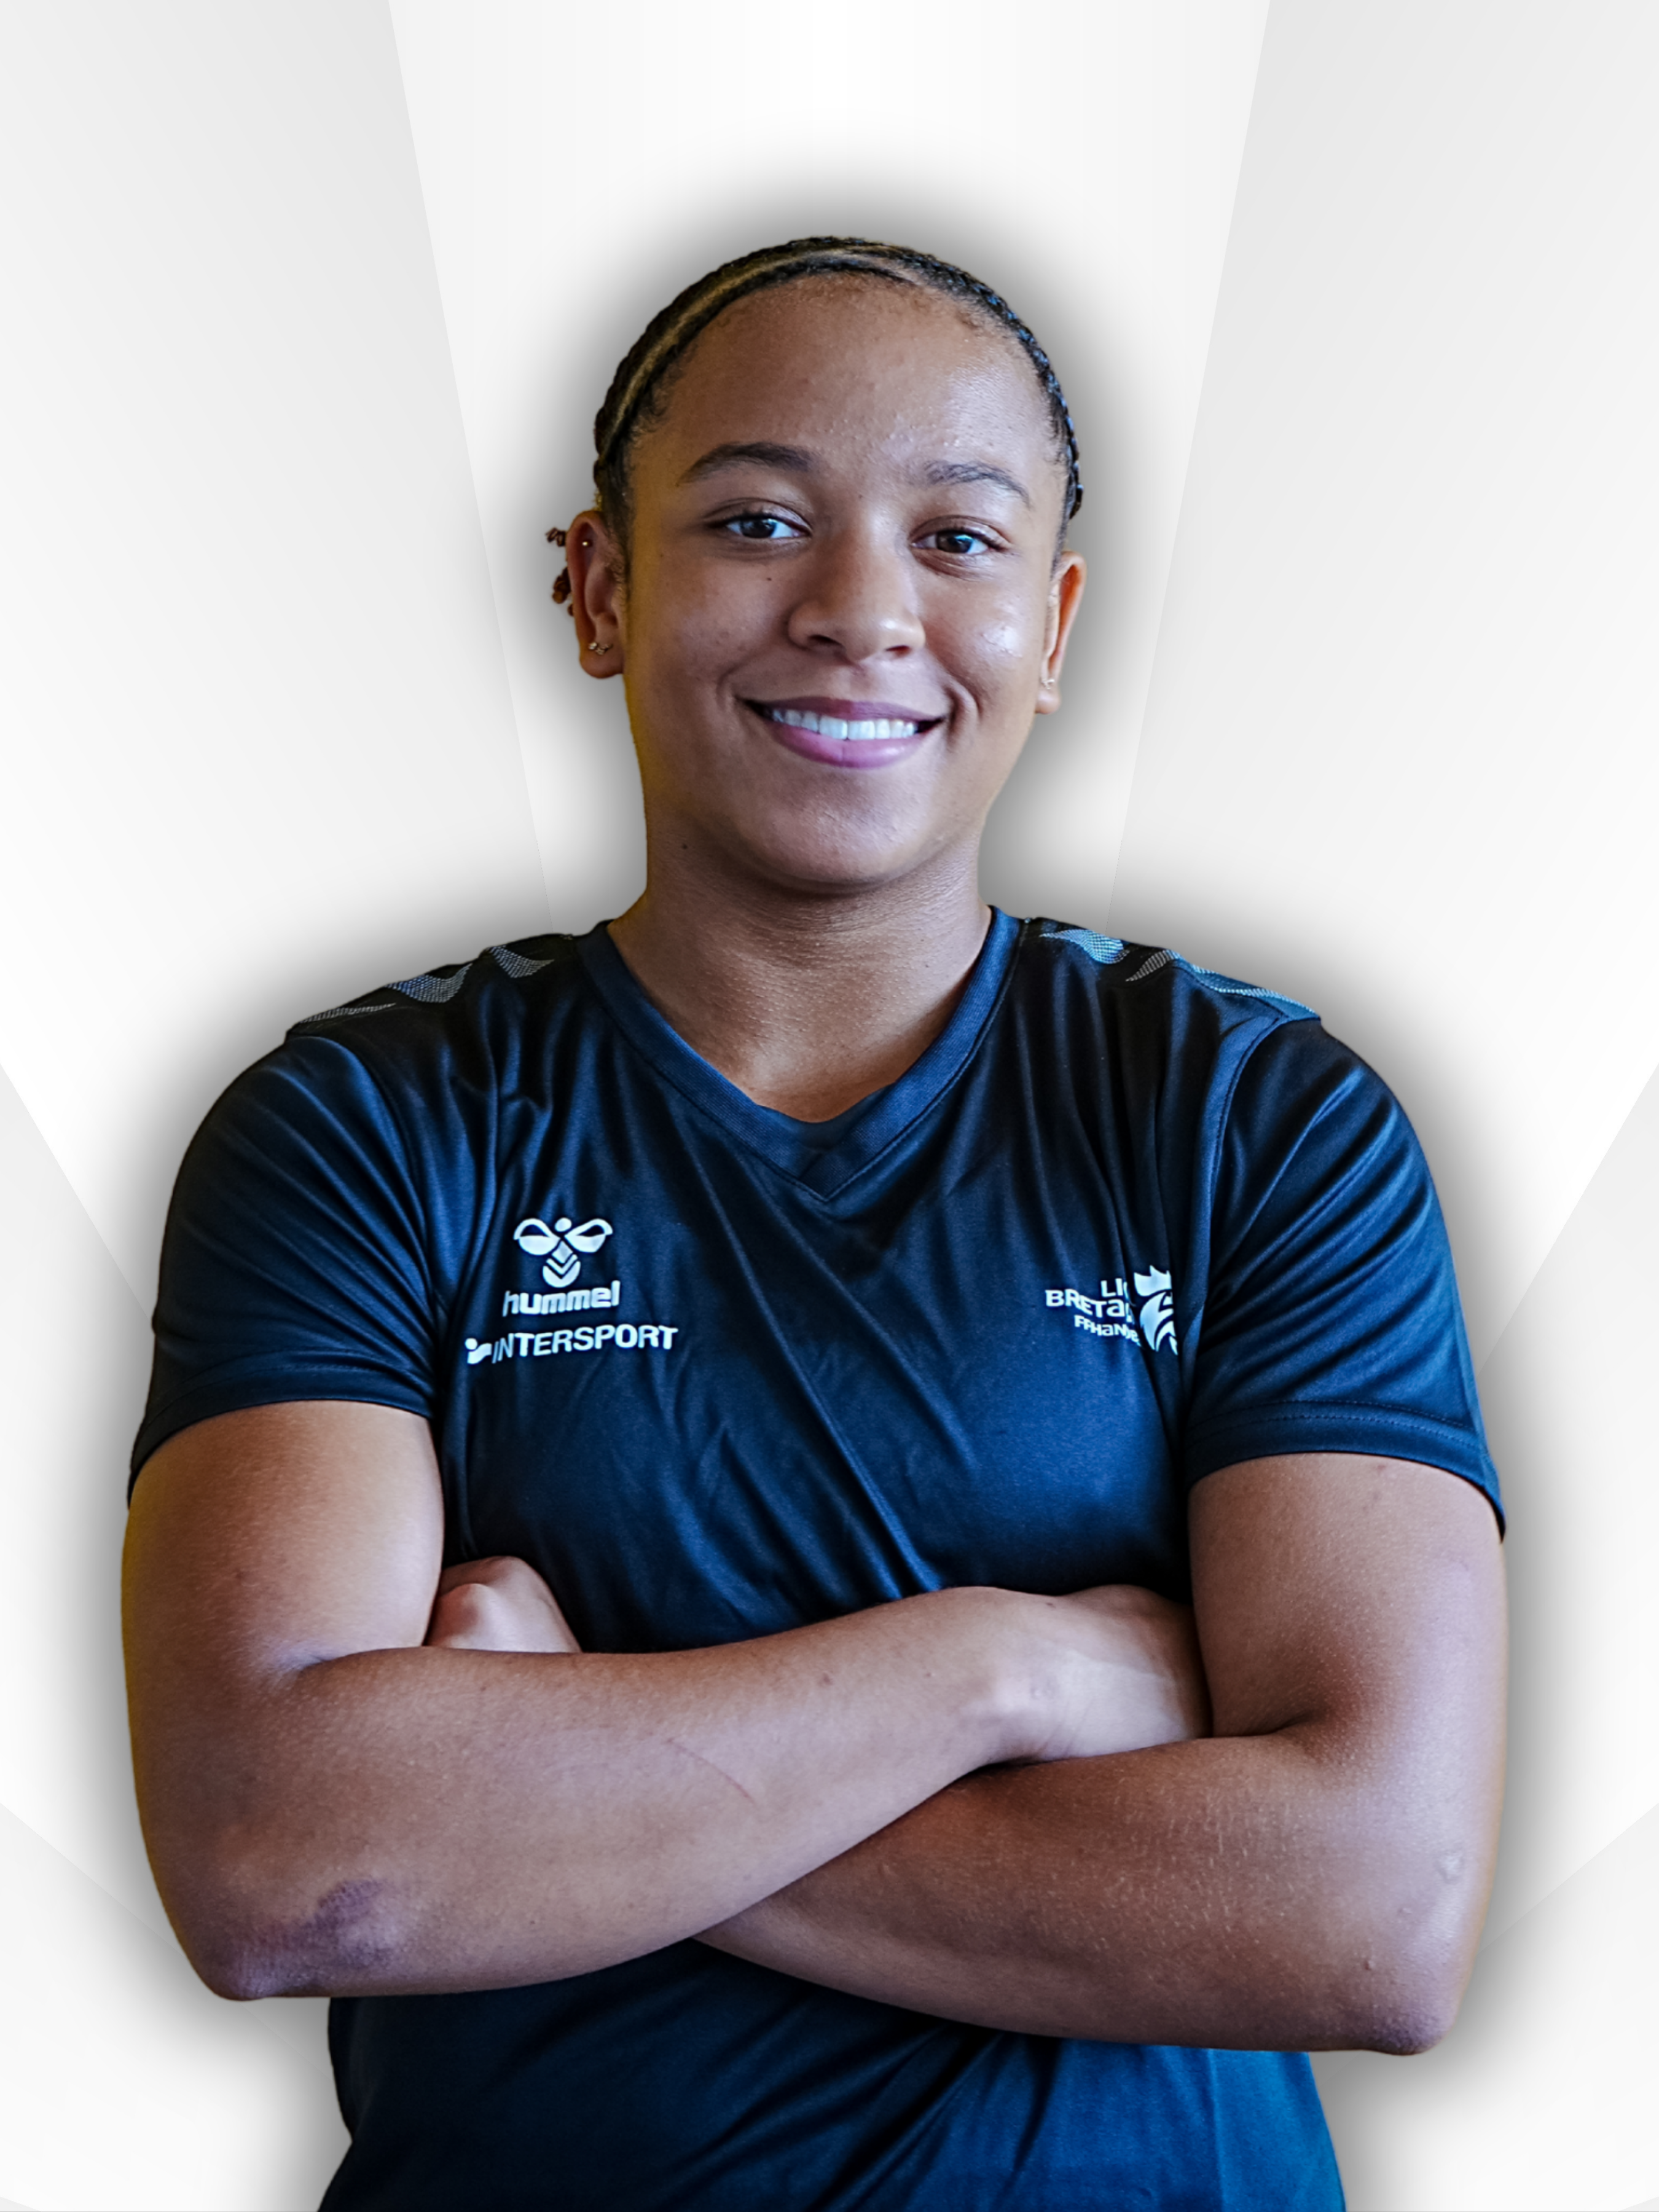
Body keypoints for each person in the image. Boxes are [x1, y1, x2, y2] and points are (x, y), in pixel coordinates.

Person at [122, 237, 1507, 2211]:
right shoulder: (365, 1127)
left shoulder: (1252, 1120)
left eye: (957, 539)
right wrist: (1006, 1673)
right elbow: (289, 1866)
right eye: (757, 520)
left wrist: (559, 1763)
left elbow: (1371, 1915)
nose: (860, 610)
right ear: (598, 587)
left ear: (1052, 623)